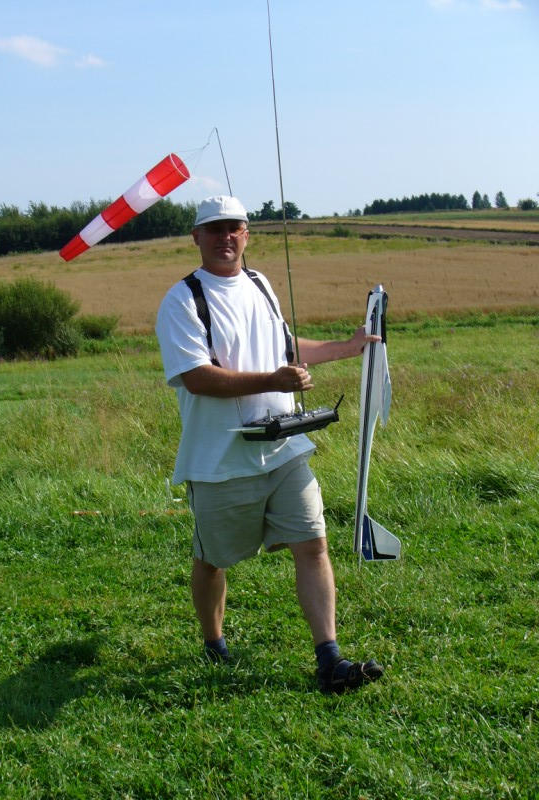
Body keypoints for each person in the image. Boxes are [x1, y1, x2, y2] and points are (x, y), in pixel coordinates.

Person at [155, 195, 383, 694]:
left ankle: (329, 659)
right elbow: (196, 377)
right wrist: (273, 380)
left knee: (313, 542)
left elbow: (285, 348)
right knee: (213, 559)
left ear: (247, 234)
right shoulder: (182, 300)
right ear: (196, 237)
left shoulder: (260, 284)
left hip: (285, 448)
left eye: (234, 228)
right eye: (214, 229)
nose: (225, 237)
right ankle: (213, 642)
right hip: (220, 459)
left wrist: (347, 347)